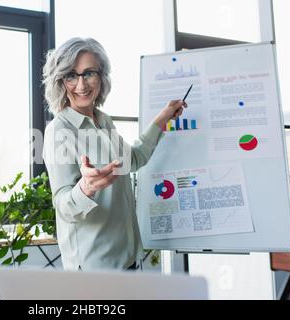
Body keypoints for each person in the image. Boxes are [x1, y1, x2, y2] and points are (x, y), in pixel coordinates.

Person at [42, 37, 187, 271]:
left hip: (126, 257)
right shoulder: (59, 130)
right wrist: (85, 189)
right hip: (95, 267)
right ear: (60, 81)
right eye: (71, 75)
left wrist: (163, 118)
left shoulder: (103, 120)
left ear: (102, 76)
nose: (81, 85)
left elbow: (133, 159)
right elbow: (63, 205)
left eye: (89, 73)